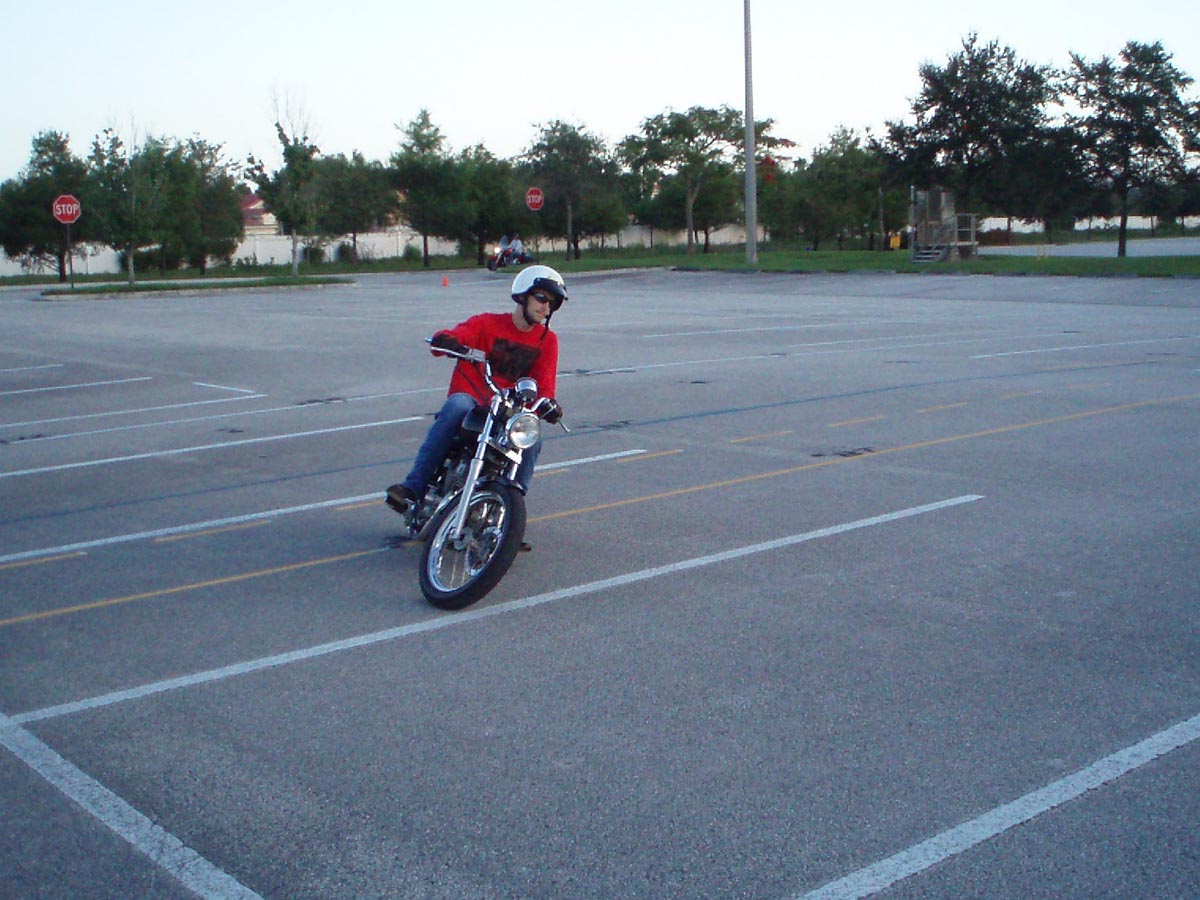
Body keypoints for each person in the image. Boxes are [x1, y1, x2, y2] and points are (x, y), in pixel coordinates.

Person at [386, 264, 567, 518]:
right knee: (456, 406)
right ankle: (413, 487)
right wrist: (447, 340)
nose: (545, 307)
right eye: (541, 298)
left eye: (552, 303)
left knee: (532, 438)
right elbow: (459, 335)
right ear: (523, 295)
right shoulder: (487, 323)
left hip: (507, 412)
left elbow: (544, 386)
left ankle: (510, 511)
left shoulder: (548, 341)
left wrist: (548, 405)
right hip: (473, 400)